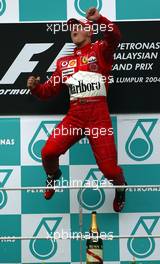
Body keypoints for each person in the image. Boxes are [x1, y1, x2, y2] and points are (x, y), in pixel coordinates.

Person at [27, 7, 127, 212]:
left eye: (78, 26)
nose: (73, 29)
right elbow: (49, 90)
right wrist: (36, 87)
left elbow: (115, 35)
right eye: (71, 27)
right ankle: (53, 175)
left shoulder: (101, 50)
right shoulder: (64, 62)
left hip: (98, 116)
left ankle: (121, 186)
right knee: (48, 152)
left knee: (109, 169)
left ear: (90, 31)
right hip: (75, 116)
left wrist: (99, 19)